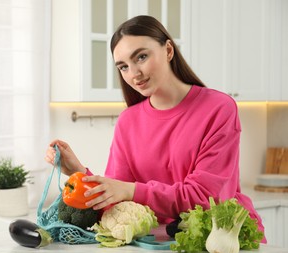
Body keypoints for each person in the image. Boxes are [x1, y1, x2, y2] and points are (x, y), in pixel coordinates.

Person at [45, 15, 265, 241]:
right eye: (123, 67)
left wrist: (131, 190)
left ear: (168, 50)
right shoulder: (128, 122)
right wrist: (79, 173)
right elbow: (117, 202)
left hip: (223, 241)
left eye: (141, 57)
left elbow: (204, 198)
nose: (133, 74)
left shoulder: (218, 108)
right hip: (161, 245)